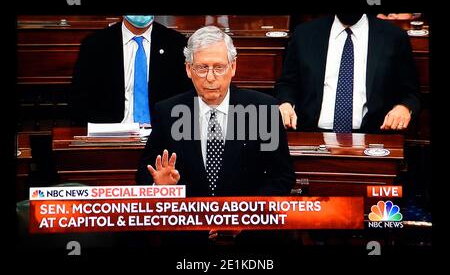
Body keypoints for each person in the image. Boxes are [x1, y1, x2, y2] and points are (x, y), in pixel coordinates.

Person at [136, 25, 295, 245]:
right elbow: (145, 174)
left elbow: (281, 177)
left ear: (233, 67)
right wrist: (159, 189)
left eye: (219, 67)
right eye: (202, 68)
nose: (210, 77)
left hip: (250, 238)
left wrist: (246, 216)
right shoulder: (168, 111)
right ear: (188, 69)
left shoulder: (264, 110)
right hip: (187, 238)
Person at [276, 13, 420, 133]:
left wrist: (403, 108)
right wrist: (286, 103)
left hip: (373, 135)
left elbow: (411, 93)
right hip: (312, 134)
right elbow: (287, 83)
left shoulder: (393, 37)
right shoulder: (305, 34)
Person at [70, 15, 192, 125]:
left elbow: (186, 98)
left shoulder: (176, 44)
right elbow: (79, 101)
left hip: (160, 134)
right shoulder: (95, 44)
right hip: (110, 133)